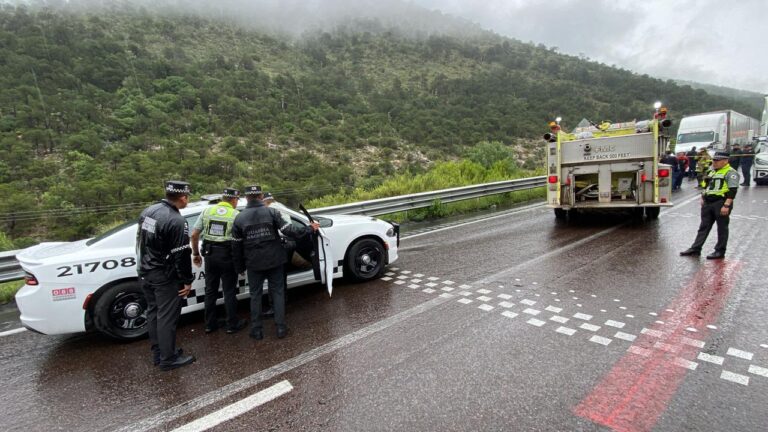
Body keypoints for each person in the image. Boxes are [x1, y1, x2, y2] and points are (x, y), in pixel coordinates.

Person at [232, 185, 319, 340]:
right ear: (261, 196)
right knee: (277, 293)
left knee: (255, 296)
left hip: (254, 264)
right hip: (275, 261)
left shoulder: (239, 218)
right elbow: (290, 231)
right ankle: (280, 328)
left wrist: (239, 267)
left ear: (246, 198)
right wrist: (309, 229)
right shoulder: (272, 212)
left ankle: (257, 330)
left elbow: (236, 246)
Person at [136, 180, 196, 371]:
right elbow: (181, 254)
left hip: (146, 270)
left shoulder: (149, 211)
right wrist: (187, 280)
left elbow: (141, 241)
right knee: (167, 317)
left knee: (154, 312)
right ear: (183, 197)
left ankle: (159, 352)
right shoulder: (176, 221)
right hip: (164, 274)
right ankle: (168, 358)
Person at [191, 188, 247, 334]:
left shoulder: (207, 211)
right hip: (227, 256)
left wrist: (196, 253)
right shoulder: (236, 214)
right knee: (229, 291)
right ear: (234, 199)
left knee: (210, 290)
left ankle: (210, 324)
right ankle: (232, 324)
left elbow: (194, 234)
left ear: (223, 198)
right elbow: (242, 239)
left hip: (209, 255)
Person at [680, 152, 739, 259]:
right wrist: (703, 197)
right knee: (703, 226)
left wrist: (726, 205)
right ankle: (696, 248)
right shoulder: (712, 172)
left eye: (717, 161)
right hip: (708, 202)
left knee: (722, 228)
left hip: (721, 202)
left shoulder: (731, 172)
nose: (714, 162)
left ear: (725, 161)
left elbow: (733, 190)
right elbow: (706, 186)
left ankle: (720, 251)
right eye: (714, 160)